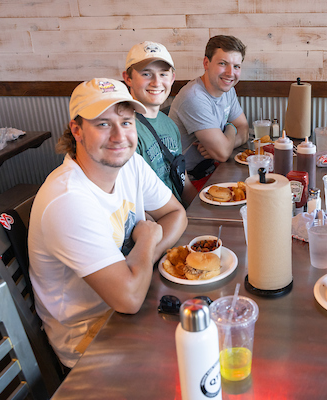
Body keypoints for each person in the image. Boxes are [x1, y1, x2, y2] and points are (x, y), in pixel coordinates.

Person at [28, 78, 188, 369]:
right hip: (91, 340)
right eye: (103, 124)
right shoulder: (68, 201)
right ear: (77, 130)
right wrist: (147, 240)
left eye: (126, 123)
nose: (119, 136)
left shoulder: (132, 165)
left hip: (132, 304)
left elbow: (176, 214)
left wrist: (139, 261)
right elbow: (128, 300)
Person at [169, 35, 249, 189]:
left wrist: (227, 142)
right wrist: (231, 128)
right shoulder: (194, 97)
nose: (230, 73)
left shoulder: (227, 89)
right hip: (187, 182)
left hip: (213, 170)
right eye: (223, 63)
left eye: (236, 66)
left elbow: (244, 128)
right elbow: (223, 153)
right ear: (206, 63)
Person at [123, 41, 198, 206]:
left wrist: (205, 213)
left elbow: (183, 182)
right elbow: (131, 204)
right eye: (146, 74)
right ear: (128, 78)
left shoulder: (169, 125)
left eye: (163, 74)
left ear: (172, 78)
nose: (156, 82)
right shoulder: (123, 131)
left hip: (178, 215)